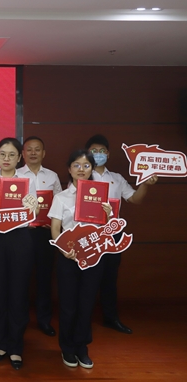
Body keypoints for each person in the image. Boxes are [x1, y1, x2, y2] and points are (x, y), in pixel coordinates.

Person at [85, 134, 157, 334]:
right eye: (94, 151)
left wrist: (145, 184)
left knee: (110, 277)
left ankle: (110, 317)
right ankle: (83, 319)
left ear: (108, 154)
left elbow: (134, 199)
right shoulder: (82, 175)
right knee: (88, 278)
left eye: (102, 151)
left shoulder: (116, 178)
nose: (98, 154)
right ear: (87, 153)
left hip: (113, 234)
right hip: (89, 234)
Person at [0, 137, 37, 370]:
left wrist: (33, 207)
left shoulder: (27, 181)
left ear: (19, 157)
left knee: (18, 293)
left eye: (12, 154)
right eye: (2, 154)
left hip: (20, 240)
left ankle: (16, 347)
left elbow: (32, 213)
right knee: (0, 293)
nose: (6, 158)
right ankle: (2, 344)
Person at [48, 149, 112, 369]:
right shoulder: (61, 197)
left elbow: (106, 231)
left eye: (86, 165)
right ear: (69, 169)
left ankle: (82, 347)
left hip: (94, 256)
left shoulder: (101, 195)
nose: (81, 169)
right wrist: (63, 248)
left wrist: (109, 215)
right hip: (69, 257)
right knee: (68, 305)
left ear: (92, 168)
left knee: (86, 304)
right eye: (76, 165)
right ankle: (67, 347)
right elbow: (55, 229)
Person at [19, 136, 62, 337]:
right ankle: (21, 319)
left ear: (43, 153)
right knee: (21, 277)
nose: (33, 153)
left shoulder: (52, 176)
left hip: (45, 233)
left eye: (37, 149)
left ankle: (44, 320)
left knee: (44, 278)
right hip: (23, 233)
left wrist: (54, 224)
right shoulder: (16, 176)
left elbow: (59, 203)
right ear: (23, 154)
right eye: (29, 149)